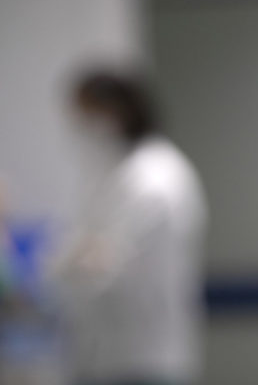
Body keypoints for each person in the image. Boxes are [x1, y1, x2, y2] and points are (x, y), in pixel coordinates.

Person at [55, 70, 207, 385]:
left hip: (144, 357)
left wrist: (73, 265)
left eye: (88, 113)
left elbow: (112, 265)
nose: (82, 125)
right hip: (113, 356)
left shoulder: (154, 177)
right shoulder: (119, 172)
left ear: (116, 110)